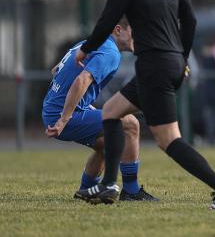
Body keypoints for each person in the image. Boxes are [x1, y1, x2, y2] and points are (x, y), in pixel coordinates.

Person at [73, 0, 215, 210]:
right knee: (111, 112)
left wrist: (86, 50)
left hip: (154, 66)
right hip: (173, 62)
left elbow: (107, 20)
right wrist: (184, 58)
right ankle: (110, 183)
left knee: (168, 140)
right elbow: (191, 22)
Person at [43, 19, 158, 201]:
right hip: (62, 113)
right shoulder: (111, 52)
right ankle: (132, 191)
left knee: (109, 146)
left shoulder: (91, 43)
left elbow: (56, 69)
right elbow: (82, 80)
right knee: (130, 124)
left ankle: (87, 189)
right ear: (118, 30)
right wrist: (64, 118)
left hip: (54, 108)